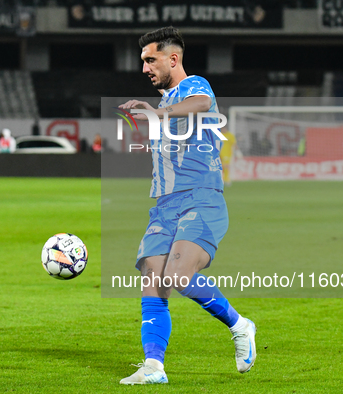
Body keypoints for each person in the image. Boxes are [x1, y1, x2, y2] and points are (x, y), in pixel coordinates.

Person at [118, 26, 256, 385]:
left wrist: (157, 114)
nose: (145, 68)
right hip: (165, 206)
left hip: (202, 199)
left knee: (178, 275)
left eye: (151, 60)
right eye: (143, 61)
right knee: (153, 281)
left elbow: (203, 105)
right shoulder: (166, 104)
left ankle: (241, 327)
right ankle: (153, 366)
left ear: (173, 58)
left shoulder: (193, 85)